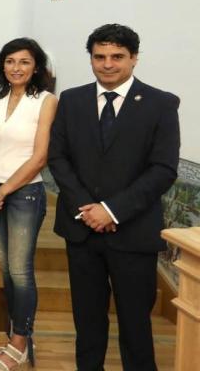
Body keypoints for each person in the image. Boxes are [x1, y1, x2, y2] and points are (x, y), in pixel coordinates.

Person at [49, 24, 179, 371]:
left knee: (136, 325)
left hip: (133, 232)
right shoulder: (72, 100)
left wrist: (111, 210)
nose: (108, 64)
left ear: (134, 59)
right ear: (90, 58)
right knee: (88, 323)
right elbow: (57, 158)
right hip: (82, 230)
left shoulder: (161, 104)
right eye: (100, 56)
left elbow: (163, 169)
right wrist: (88, 210)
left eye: (117, 57)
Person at [0, 37, 56, 371]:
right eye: (10, 61)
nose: (16, 68)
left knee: (21, 271)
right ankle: (18, 331)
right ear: (2, 66)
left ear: (36, 66)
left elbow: (40, 157)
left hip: (24, 193)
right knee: (7, 268)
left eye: (24, 62)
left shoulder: (46, 101)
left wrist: (5, 190)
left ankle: (19, 343)